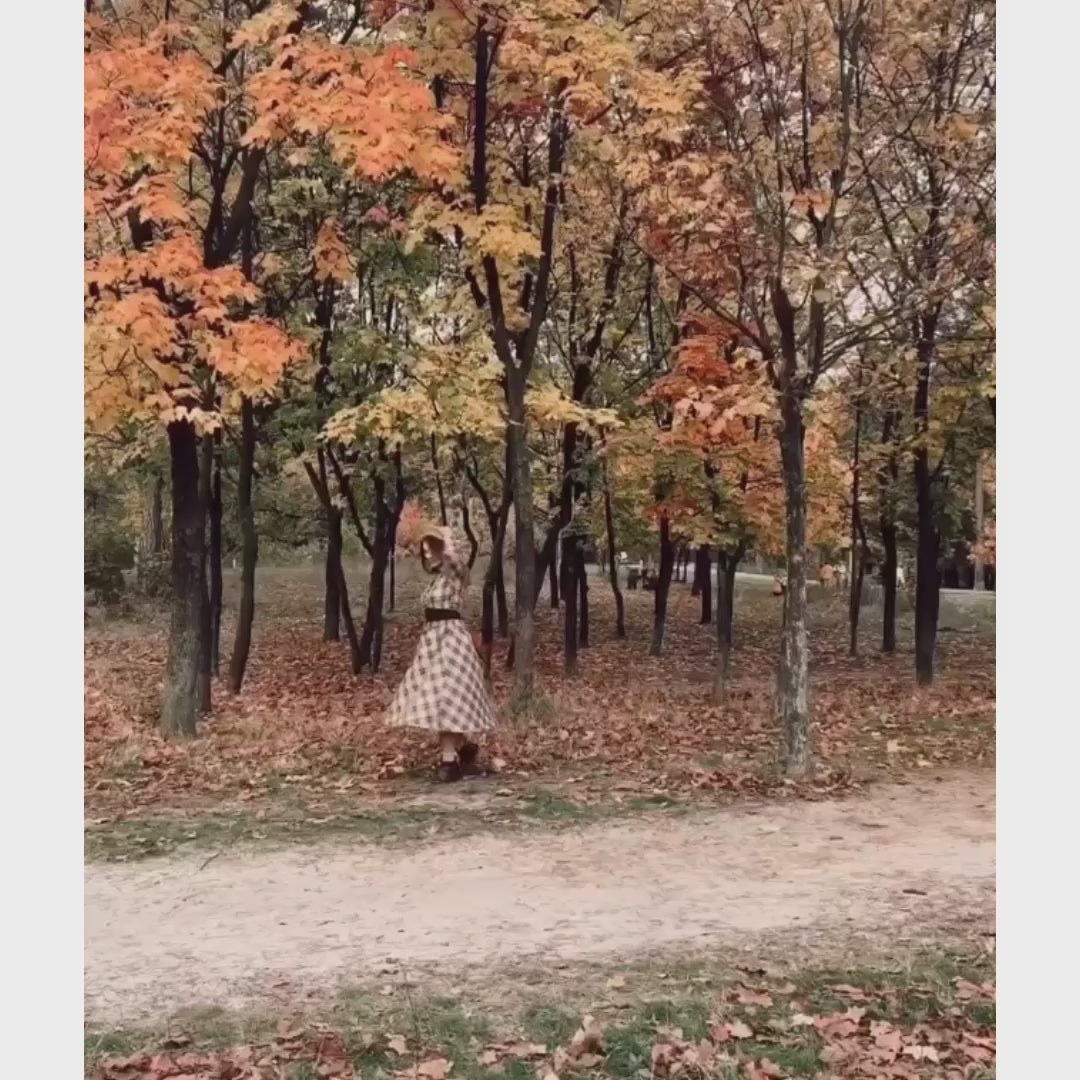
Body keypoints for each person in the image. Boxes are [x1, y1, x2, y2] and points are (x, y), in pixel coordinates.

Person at [385, 524, 497, 781]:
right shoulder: (436, 579)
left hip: (450, 639)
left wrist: (444, 537)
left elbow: (453, 559)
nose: (428, 553)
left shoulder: (455, 573)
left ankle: (450, 762)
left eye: (431, 548)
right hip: (433, 639)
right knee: (439, 699)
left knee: (447, 697)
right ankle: (464, 749)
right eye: (425, 550)